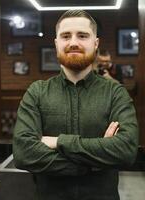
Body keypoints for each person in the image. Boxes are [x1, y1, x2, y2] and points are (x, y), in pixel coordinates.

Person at [13, 10, 138, 200]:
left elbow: (126, 151)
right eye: (65, 36)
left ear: (95, 43)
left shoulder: (115, 93)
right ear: (56, 44)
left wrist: (58, 142)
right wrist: (94, 163)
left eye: (82, 35)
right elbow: (24, 153)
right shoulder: (36, 92)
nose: (73, 42)